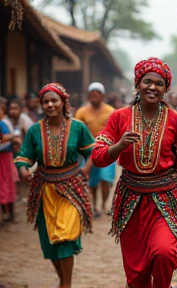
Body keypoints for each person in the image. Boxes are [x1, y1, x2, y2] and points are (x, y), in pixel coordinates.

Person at [92, 57, 177, 288]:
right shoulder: (119, 117)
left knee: (164, 254)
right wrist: (119, 146)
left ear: (165, 88)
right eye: (147, 81)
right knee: (137, 275)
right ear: (137, 84)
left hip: (165, 200)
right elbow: (98, 157)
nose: (152, 87)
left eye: (159, 83)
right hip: (131, 203)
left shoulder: (175, 121)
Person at [15, 83, 94, 288]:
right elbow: (24, 156)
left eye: (54, 100)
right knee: (50, 241)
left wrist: (85, 171)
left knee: (65, 237)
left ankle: (66, 284)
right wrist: (23, 170)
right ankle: (62, 278)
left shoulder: (78, 127)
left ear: (63, 102)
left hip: (71, 190)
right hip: (44, 191)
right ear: (41, 105)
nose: (50, 105)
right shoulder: (34, 130)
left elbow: (92, 152)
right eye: (46, 101)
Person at [75, 82, 116, 218]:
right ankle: (94, 206)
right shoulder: (81, 112)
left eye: (97, 93)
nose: (94, 96)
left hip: (107, 149)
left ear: (102, 96)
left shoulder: (111, 111)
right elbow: (76, 131)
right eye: (91, 94)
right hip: (88, 151)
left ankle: (103, 204)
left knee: (105, 179)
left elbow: (116, 129)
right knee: (91, 180)